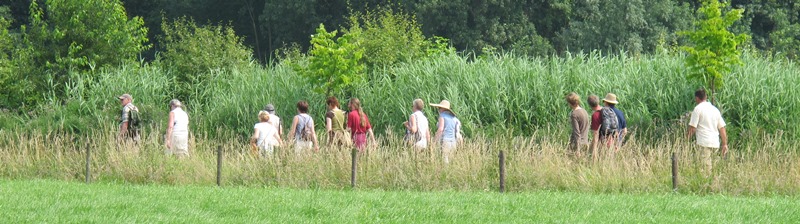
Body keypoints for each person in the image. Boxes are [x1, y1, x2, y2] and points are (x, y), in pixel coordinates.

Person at [687, 88, 728, 178]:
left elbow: (693, 128)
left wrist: (686, 139)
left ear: (697, 98)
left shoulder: (697, 109)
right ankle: (715, 187)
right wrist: (724, 144)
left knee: (705, 169)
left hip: (704, 142)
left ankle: (706, 189)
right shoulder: (715, 110)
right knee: (714, 168)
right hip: (715, 143)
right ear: (706, 97)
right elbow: (722, 128)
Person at [431, 100, 462, 164]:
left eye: (439, 108)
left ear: (442, 108)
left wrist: (435, 140)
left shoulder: (442, 116)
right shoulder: (454, 118)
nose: (438, 110)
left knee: (445, 161)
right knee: (451, 161)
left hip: (445, 141)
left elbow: (440, 129)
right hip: (453, 142)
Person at [566, 93, 589, 159]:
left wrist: (577, 149)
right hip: (585, 142)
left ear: (570, 103)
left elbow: (577, 132)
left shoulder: (574, 114)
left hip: (577, 144)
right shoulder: (584, 111)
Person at [587, 95, 606, 160]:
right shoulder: (606, 110)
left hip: (602, 143)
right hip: (611, 140)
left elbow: (595, 134)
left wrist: (594, 151)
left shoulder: (595, 115)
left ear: (589, 104)